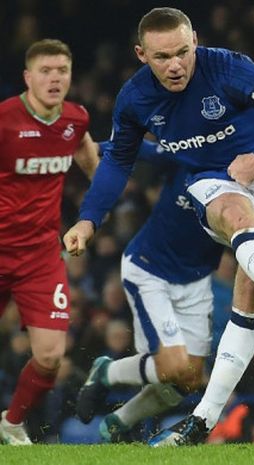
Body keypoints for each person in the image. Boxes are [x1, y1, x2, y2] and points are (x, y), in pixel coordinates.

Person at [61, 7, 254, 445]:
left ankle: (201, 422)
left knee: (249, 296)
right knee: (234, 214)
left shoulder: (228, 68)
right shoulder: (134, 100)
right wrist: (89, 220)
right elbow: (118, 163)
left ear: (196, 43)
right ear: (141, 55)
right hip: (214, 182)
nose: (176, 65)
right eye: (163, 56)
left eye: (183, 52)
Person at [74, 140, 224, 443]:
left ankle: (119, 421)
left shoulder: (251, 178)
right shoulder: (191, 155)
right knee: (172, 368)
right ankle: (106, 372)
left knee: (189, 380)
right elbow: (138, 148)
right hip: (149, 269)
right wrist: (89, 143)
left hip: (195, 280)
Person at [0, 38, 99, 445]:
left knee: (50, 356)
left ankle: (11, 422)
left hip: (41, 255)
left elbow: (94, 167)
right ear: (28, 77)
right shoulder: (4, 120)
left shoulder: (75, 120)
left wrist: (93, 215)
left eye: (62, 70)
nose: (55, 78)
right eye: (46, 70)